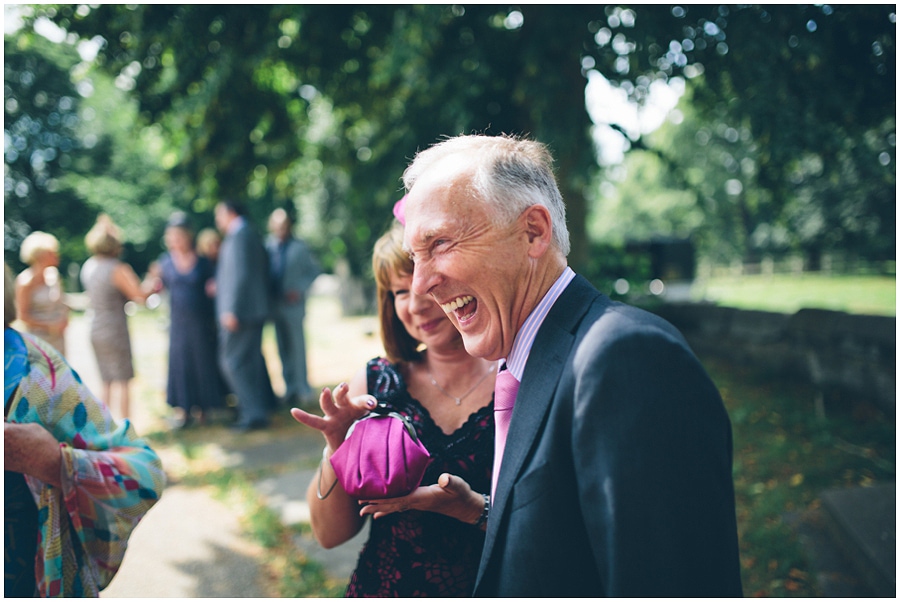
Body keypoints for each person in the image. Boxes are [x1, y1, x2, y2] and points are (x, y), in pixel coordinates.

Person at [399, 134, 743, 597]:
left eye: (439, 243)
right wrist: (485, 512)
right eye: (414, 257)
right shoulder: (523, 364)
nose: (421, 285)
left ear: (533, 232)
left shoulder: (625, 359)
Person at [291, 220, 496, 597]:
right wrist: (336, 448)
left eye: (425, 283)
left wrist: (477, 509)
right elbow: (328, 535)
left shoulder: (517, 378)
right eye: (400, 291)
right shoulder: (376, 383)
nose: (415, 305)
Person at [4, 263, 166, 597]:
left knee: (118, 381)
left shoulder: (35, 377)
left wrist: (56, 463)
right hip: (104, 330)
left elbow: (144, 471)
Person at [147, 213, 223, 427]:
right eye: (171, 236)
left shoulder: (202, 261)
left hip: (201, 322)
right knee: (180, 364)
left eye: (178, 236)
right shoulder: (165, 263)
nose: (175, 240)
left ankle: (204, 410)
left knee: (202, 362)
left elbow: (214, 283)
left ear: (188, 236)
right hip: (178, 323)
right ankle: (183, 410)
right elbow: (157, 286)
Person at [80, 214, 155, 421]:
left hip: (95, 327)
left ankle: (103, 426)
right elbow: (139, 296)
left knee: (106, 382)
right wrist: (152, 280)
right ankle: (125, 427)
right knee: (123, 381)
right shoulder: (117, 268)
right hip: (114, 329)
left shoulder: (89, 266)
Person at [214, 200, 276, 431]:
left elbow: (241, 274)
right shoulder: (246, 233)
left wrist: (232, 308)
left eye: (219, 215)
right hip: (249, 311)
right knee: (247, 362)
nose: (217, 220)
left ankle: (253, 414)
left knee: (233, 362)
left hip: (241, 313)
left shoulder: (241, 235)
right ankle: (257, 411)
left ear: (230, 212)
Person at [266, 207, 321, 406]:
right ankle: (289, 389)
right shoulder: (268, 246)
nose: (281, 228)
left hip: (294, 305)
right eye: (277, 225)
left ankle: (303, 389)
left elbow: (314, 271)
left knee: (297, 348)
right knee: (281, 348)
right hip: (275, 305)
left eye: (284, 225)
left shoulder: (300, 247)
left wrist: (299, 289)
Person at [14, 231, 69, 355]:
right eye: (52, 252)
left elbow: (62, 302)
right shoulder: (25, 282)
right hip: (38, 339)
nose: (57, 255)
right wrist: (51, 327)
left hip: (58, 338)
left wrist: (65, 319)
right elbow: (22, 316)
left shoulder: (53, 275)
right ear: (41, 255)